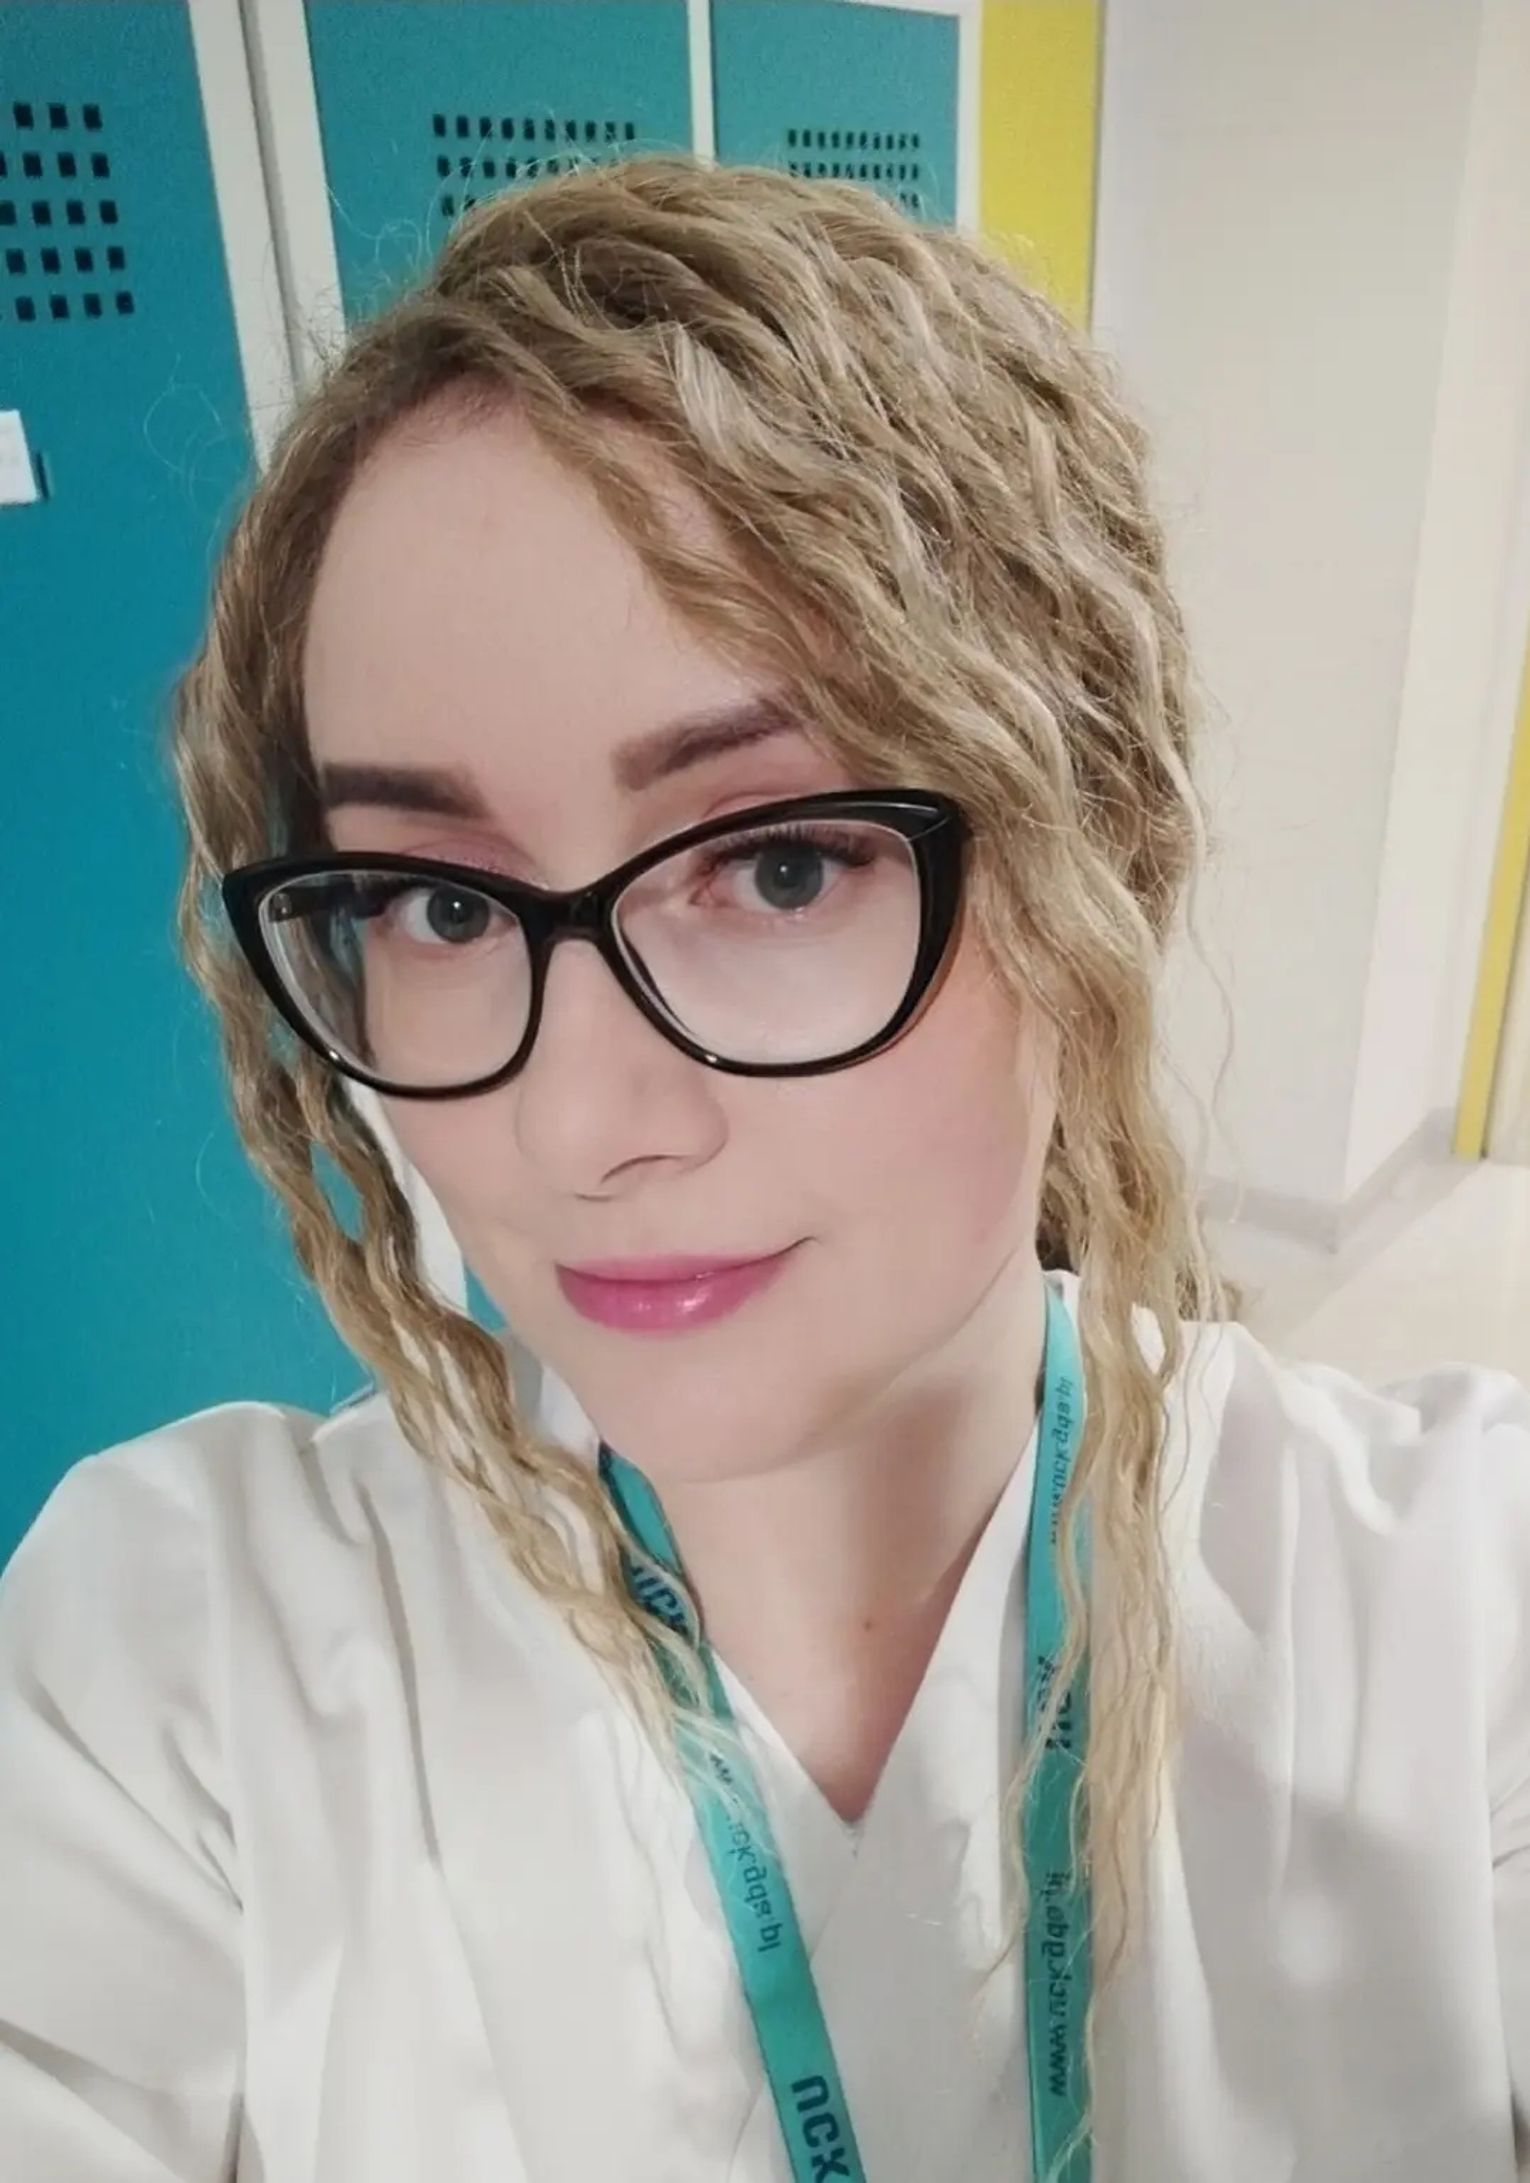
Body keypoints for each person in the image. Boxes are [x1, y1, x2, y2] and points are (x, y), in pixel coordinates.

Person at [1, 153, 1527, 2183]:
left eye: (782, 866)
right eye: (434, 905)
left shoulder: (1455, 1613)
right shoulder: (174, 1666)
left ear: (1101, 858)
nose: (578, 1125)